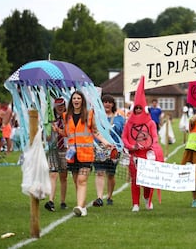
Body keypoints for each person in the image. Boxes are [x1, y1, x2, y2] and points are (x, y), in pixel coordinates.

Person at [53, 91, 113, 217]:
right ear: (71, 101)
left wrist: (106, 142)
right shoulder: (66, 116)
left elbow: (95, 132)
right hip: (72, 155)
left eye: (78, 98)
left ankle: (80, 206)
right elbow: (67, 133)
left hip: (86, 154)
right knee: (76, 181)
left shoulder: (89, 114)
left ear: (82, 100)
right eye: (74, 98)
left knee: (82, 180)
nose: (76, 100)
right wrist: (58, 130)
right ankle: (83, 207)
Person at [122, 77, 164, 212]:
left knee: (147, 181)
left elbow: (154, 137)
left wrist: (146, 145)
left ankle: (147, 199)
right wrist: (131, 146)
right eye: (137, 108)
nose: (138, 111)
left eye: (140, 108)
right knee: (135, 181)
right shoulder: (129, 123)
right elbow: (124, 137)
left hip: (147, 155)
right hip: (134, 156)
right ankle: (135, 204)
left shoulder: (151, 123)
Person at [93, 94, 125, 207]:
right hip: (99, 148)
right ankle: (99, 197)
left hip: (114, 150)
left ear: (113, 104)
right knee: (99, 172)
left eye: (109, 102)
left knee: (110, 174)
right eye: (105, 102)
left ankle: (110, 196)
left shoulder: (119, 118)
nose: (107, 104)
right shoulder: (96, 117)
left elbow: (123, 133)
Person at [45, 98, 68, 211]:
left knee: (63, 176)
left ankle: (63, 201)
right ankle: (51, 200)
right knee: (53, 175)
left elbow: (69, 133)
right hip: (53, 149)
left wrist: (58, 129)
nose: (60, 107)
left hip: (65, 149)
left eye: (62, 105)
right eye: (58, 105)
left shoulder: (68, 118)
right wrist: (51, 130)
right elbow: (46, 137)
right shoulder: (49, 119)